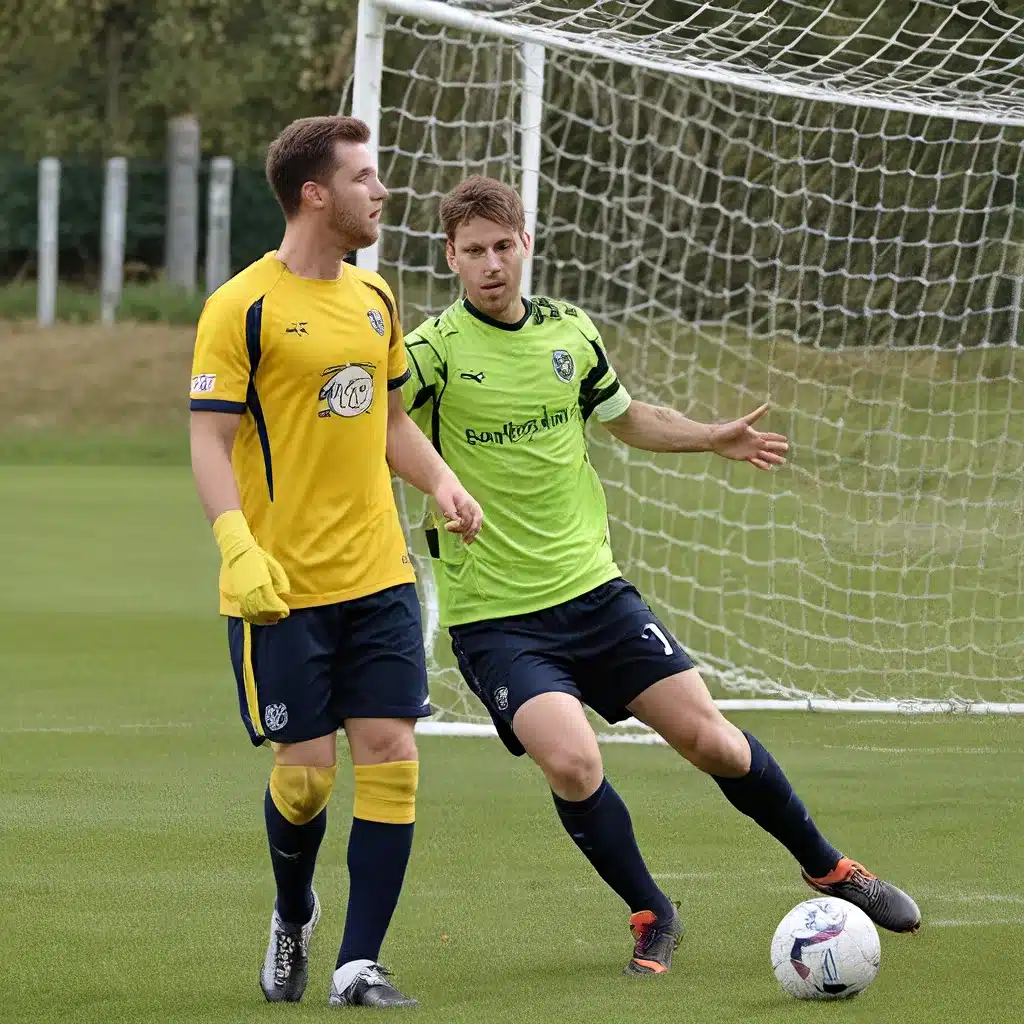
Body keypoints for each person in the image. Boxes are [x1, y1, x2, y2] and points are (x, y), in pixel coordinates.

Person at [402, 175, 920, 977]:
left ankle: (830, 867)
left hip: (596, 593)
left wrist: (711, 435)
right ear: (452, 259)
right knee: (573, 762)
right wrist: (439, 484)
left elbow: (627, 417)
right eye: (475, 252)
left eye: (504, 247)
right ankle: (652, 910)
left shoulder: (570, 332)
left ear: (526, 244)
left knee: (713, 741)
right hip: (498, 616)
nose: (493, 265)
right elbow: (380, 422)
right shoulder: (433, 352)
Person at [189, 116, 482, 1009]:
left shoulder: (377, 299)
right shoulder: (240, 306)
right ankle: (292, 913)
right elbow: (210, 439)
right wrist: (236, 545)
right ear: (316, 193)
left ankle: (359, 964)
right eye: (364, 178)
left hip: (380, 574)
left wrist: (441, 481)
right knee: (308, 775)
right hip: (280, 589)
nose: (380, 192)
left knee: (392, 753)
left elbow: (391, 423)